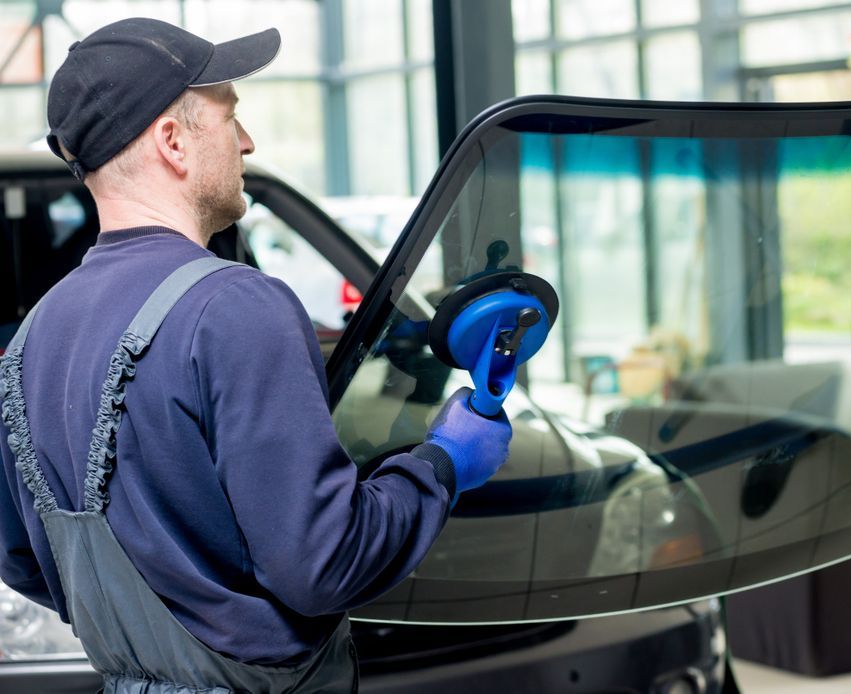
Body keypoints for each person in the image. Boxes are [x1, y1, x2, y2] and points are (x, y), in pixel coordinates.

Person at [0, 17, 511, 693]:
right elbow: (325, 565)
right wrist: (443, 465)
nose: (247, 140)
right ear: (174, 142)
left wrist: (153, 614)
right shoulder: (235, 308)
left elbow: (24, 560)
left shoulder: (32, 340)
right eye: (229, 116)